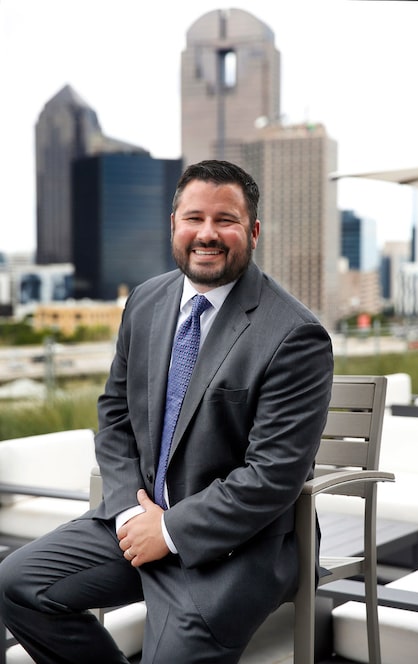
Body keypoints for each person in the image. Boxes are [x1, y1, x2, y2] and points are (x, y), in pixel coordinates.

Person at [0, 159, 333, 663]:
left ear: (254, 231)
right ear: (173, 225)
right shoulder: (146, 301)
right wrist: (135, 513)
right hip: (135, 525)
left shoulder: (294, 335)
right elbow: (114, 415)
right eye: (193, 218)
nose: (207, 233)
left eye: (226, 220)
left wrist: (170, 531)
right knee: (13, 584)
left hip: (234, 548)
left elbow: (273, 476)